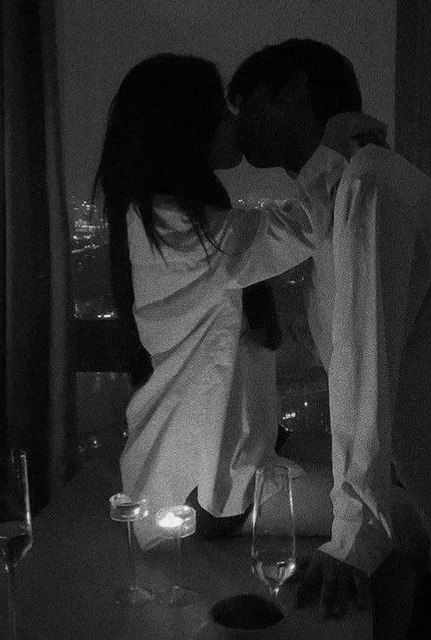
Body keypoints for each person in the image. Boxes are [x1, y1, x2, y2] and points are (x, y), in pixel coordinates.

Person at [228, 38, 431, 637]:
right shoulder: (350, 188)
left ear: (294, 92)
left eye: (247, 104)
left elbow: (364, 367)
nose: (239, 125)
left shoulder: (369, 188)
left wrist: (353, 540)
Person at [92, 53, 382, 550]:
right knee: (388, 515)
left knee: (374, 480)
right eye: (220, 111)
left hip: (214, 464)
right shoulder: (174, 227)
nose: (234, 121)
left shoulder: (169, 218)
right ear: (188, 126)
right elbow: (299, 227)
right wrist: (335, 147)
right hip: (205, 487)